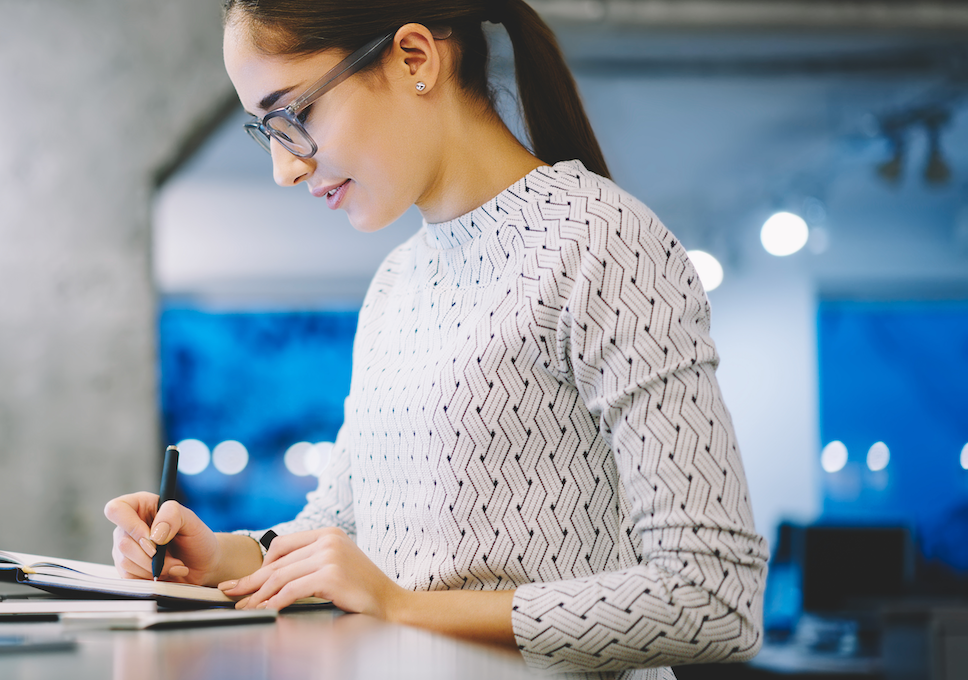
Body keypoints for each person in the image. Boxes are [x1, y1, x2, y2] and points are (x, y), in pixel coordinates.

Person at [104, 1, 768, 677]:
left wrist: (400, 608)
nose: (286, 169)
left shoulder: (603, 244)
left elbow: (713, 596)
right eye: (264, 131)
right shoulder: (397, 282)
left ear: (415, 58)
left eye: (294, 117)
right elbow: (344, 526)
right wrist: (220, 557)